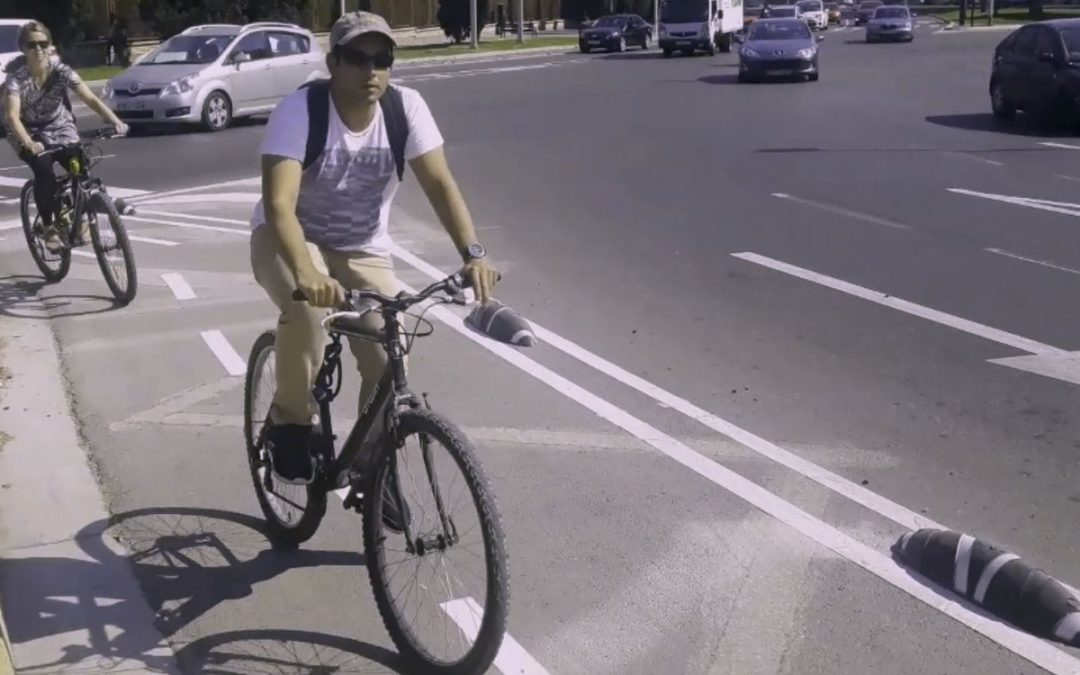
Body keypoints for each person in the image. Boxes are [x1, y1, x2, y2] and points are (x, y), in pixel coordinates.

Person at [249, 11, 500, 484]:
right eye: (358, 59)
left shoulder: (406, 109)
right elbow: (279, 204)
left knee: (392, 352)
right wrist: (306, 273)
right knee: (305, 312)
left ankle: (372, 462)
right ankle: (290, 425)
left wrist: (474, 253)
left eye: (383, 59)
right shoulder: (301, 111)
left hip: (361, 247)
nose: (372, 71)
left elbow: (440, 182)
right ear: (333, 62)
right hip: (287, 238)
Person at [3, 21, 128, 252]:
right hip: (27, 129)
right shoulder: (16, 80)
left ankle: (80, 219)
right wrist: (28, 142)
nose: (38, 49)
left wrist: (115, 121)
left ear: (50, 46)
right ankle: (49, 227)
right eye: (32, 45)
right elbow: (12, 116)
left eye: (43, 44)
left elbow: (91, 99)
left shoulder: (61, 72)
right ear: (23, 49)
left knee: (79, 165)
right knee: (43, 169)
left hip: (58, 125)